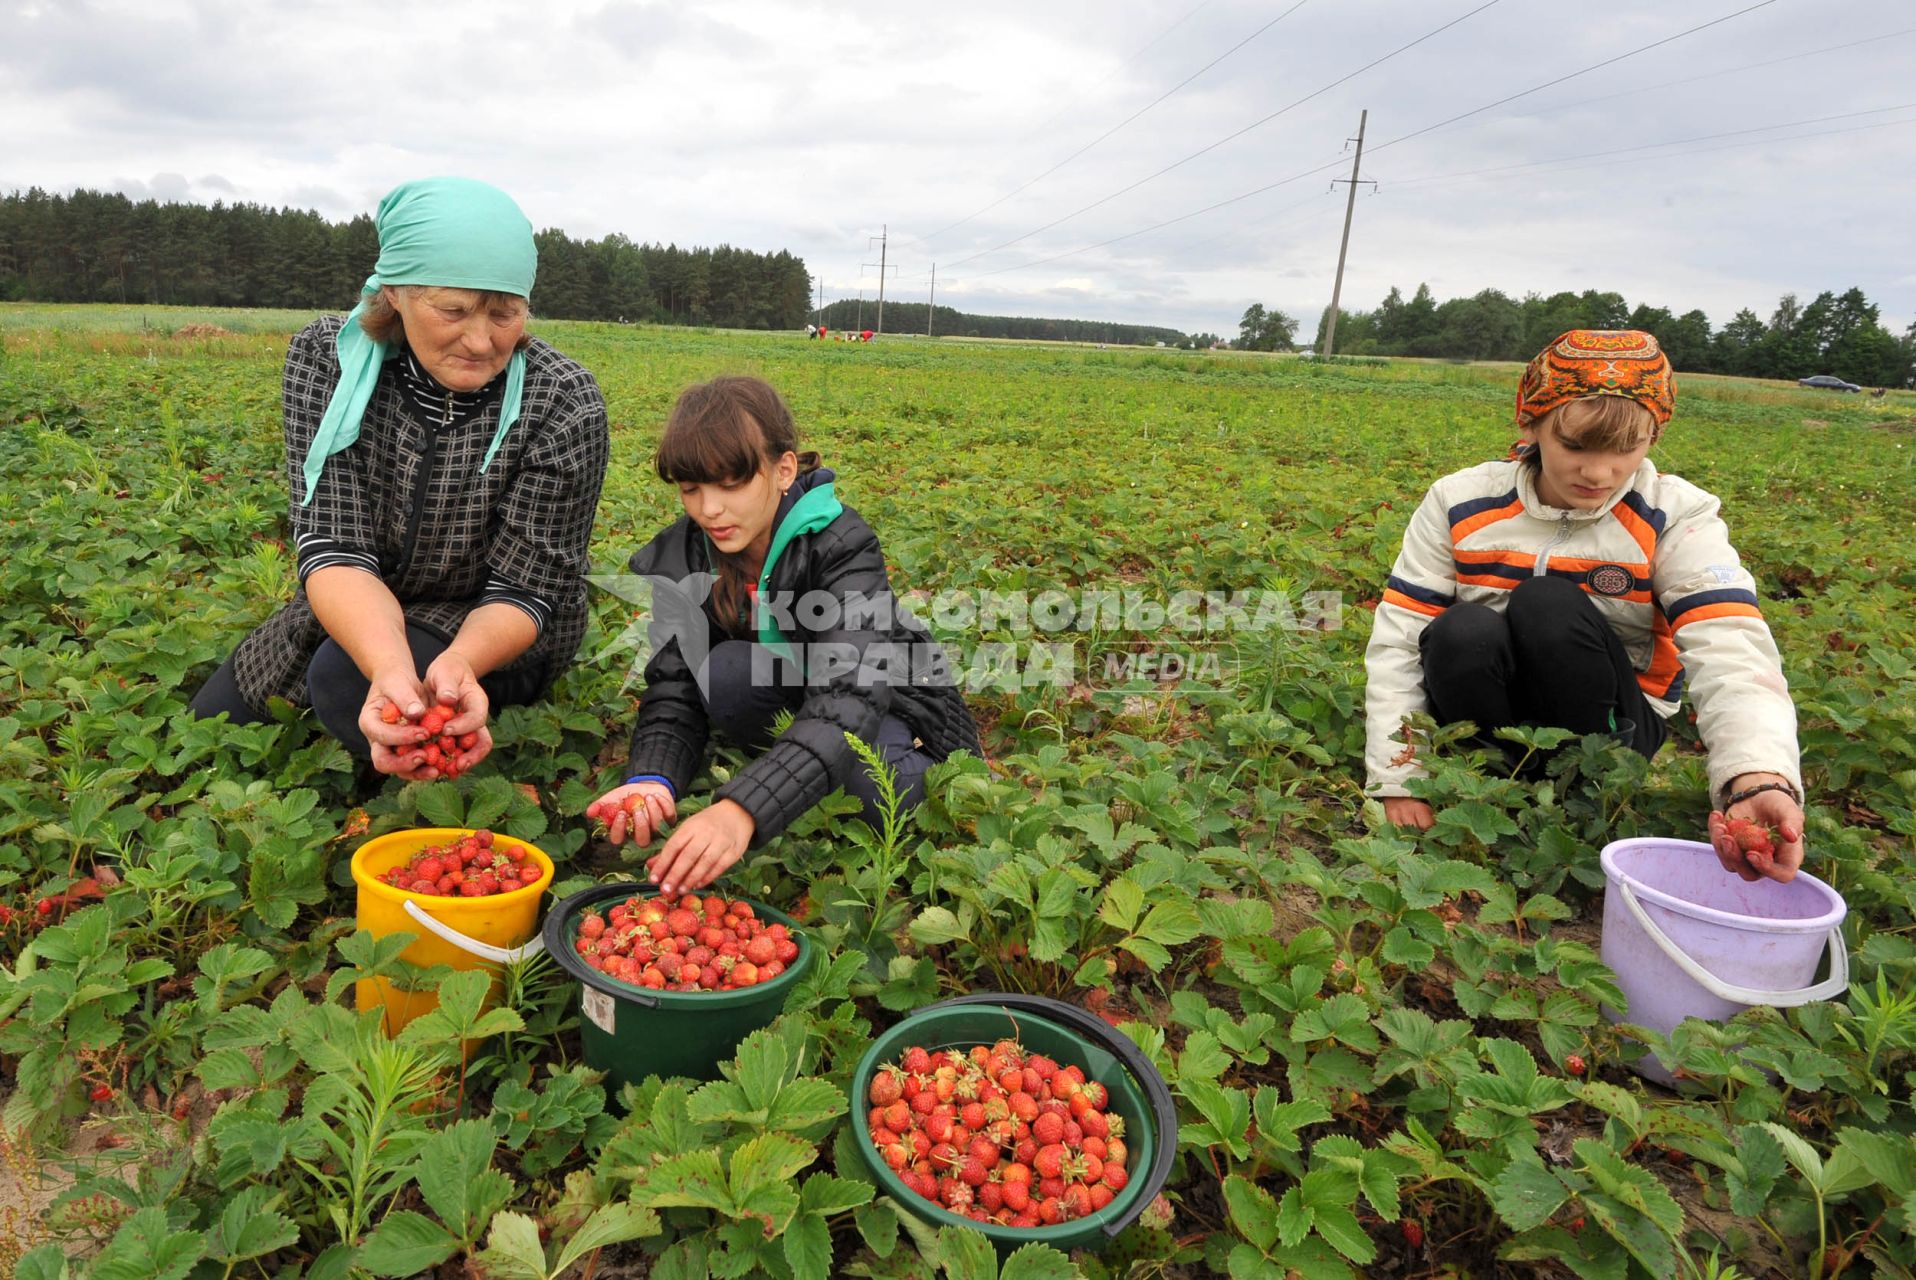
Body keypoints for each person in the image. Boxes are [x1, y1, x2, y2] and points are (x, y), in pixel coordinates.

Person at [190, 177, 610, 780]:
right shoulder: (327, 360)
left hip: (496, 621)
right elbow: (334, 546)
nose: (480, 339)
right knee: (212, 727)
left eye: (504, 313)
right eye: (453, 310)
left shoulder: (562, 399)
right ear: (395, 293)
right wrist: (387, 661)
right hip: (360, 596)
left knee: (344, 682)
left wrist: (462, 660)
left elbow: (529, 586)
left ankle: (396, 788)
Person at [1363, 330, 1806, 882]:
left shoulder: (1676, 515)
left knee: (1546, 605)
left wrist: (1757, 777)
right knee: (1460, 630)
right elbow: (1403, 635)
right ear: (1530, 424)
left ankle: (1582, 793)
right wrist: (1399, 777)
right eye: (1574, 446)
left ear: (1654, 434)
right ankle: (1488, 782)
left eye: (1627, 449)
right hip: (1495, 716)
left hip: (1614, 727)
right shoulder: (1459, 500)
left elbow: (1731, 646)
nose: (1598, 474)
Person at [591, 375, 979, 895]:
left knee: (873, 791)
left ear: (783, 469)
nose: (709, 509)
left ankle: (809, 773)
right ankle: (799, 769)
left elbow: (850, 697)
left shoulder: (841, 546)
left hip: (897, 712)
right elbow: (674, 691)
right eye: (691, 489)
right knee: (724, 673)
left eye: (731, 484)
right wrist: (651, 778)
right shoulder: (684, 557)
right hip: (805, 695)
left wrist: (742, 809)